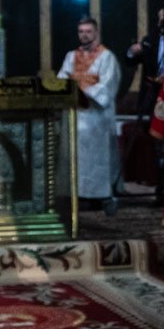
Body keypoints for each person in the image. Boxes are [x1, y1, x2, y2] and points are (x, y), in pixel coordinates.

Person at [58, 17, 122, 214]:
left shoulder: (107, 57)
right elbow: (63, 78)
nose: (84, 35)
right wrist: (70, 87)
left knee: (97, 160)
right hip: (75, 116)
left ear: (96, 33)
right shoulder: (71, 56)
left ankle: (100, 196)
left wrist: (83, 89)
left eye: (88, 31)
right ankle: (76, 195)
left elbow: (108, 85)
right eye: (81, 31)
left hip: (96, 118)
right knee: (75, 157)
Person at [125, 2, 164, 204]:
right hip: (153, 98)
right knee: (157, 145)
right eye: (160, 19)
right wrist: (132, 52)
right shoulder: (151, 40)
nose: (161, 22)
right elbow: (132, 60)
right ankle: (161, 191)